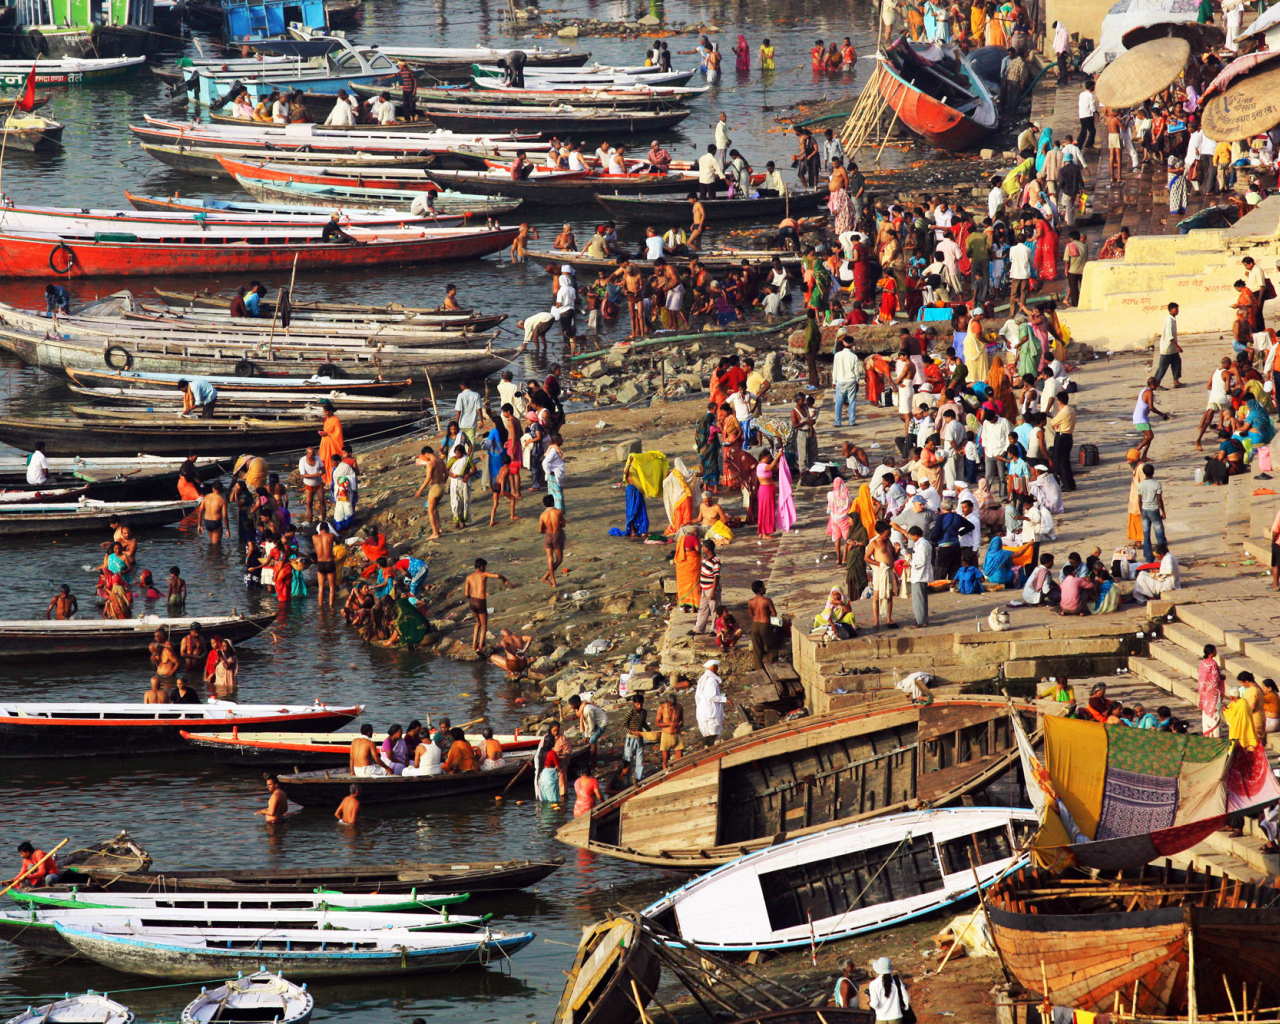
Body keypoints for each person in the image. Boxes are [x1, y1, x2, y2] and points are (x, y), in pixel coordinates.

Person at [465, 557, 511, 652]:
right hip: (480, 601)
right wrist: (504, 579)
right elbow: (497, 576)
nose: (485, 568)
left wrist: (472, 599)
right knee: (484, 624)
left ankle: (474, 645)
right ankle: (480, 647)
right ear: (481, 567)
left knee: (478, 623)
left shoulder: (468, 577)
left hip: (472, 601)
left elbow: (466, 594)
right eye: (485, 566)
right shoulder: (484, 574)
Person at [568, 693, 607, 769]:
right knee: (584, 737)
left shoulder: (587, 710)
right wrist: (586, 735)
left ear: (577, 703)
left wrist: (589, 736)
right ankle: (588, 757)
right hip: (594, 723)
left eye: (572, 705)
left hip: (601, 723)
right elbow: (586, 724)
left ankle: (594, 763)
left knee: (592, 741)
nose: (571, 707)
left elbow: (591, 724)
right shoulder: (581, 709)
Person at [865, 957, 911, 1023]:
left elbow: (875, 1004)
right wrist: (905, 1008)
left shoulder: (873, 984)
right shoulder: (897, 981)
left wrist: (869, 1002)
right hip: (896, 1017)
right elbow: (906, 998)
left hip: (881, 1018)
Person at [695, 658, 727, 746]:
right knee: (712, 737)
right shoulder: (711, 680)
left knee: (709, 737)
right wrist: (725, 699)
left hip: (703, 713)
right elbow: (712, 697)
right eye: (716, 668)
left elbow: (697, 698)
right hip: (710, 714)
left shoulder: (702, 679)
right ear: (714, 669)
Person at [692, 538, 721, 635]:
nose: (702, 548)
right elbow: (703, 573)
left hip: (711, 588)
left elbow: (716, 577)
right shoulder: (705, 559)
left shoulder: (715, 561)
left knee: (715, 610)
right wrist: (700, 585)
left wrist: (713, 591)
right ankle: (698, 628)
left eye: (704, 547)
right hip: (704, 588)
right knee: (702, 609)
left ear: (708, 548)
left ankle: (715, 629)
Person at [1198, 644, 1225, 736]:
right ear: (1212, 652)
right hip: (1212, 694)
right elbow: (1215, 679)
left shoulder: (1202, 663)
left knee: (1206, 715)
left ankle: (1207, 734)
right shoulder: (1213, 664)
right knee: (1214, 714)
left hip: (1204, 693)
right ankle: (1215, 735)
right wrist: (1222, 677)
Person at [621, 692, 648, 782]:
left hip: (639, 738)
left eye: (641, 704)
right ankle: (627, 779)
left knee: (640, 759)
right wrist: (632, 732)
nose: (639, 706)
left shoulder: (644, 712)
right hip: (630, 739)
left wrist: (649, 730)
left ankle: (638, 778)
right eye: (637, 704)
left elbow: (643, 723)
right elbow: (623, 725)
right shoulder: (630, 713)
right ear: (634, 704)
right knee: (628, 759)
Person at [655, 691, 684, 770]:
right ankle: (666, 773)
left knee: (680, 759)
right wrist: (669, 724)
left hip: (677, 735)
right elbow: (657, 723)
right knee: (665, 759)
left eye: (673, 705)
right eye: (670, 705)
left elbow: (682, 721)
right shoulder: (661, 708)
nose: (672, 707)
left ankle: (679, 773)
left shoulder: (679, 707)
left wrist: (679, 724)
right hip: (666, 735)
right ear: (667, 702)